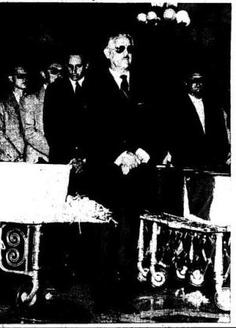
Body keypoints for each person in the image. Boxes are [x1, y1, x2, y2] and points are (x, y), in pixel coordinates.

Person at [84, 32, 156, 306]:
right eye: (120, 48)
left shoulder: (142, 84)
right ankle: (102, 294)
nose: (127, 53)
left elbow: (153, 123)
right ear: (107, 53)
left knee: (130, 230)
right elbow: (90, 131)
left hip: (136, 172)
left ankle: (125, 292)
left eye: (130, 49)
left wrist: (141, 152)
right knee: (105, 233)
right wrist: (118, 155)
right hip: (106, 172)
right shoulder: (93, 85)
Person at [160, 69, 231, 219]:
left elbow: (221, 137)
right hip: (186, 168)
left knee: (207, 212)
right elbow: (170, 136)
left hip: (211, 168)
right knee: (185, 214)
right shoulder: (175, 106)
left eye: (201, 81)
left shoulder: (214, 106)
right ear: (186, 83)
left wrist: (224, 155)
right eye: (194, 81)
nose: (198, 84)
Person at [43, 52, 91, 165]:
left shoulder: (96, 88)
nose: (74, 71)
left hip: (90, 159)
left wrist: (84, 157)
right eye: (70, 66)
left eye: (78, 66)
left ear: (86, 66)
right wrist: (71, 157)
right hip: (63, 158)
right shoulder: (54, 89)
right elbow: (50, 127)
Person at [0, 65, 29, 162]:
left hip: (29, 158)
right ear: (11, 78)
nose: (24, 79)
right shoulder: (2, 103)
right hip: (9, 158)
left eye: (26, 76)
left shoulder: (32, 101)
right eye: (20, 76)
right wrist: (14, 155)